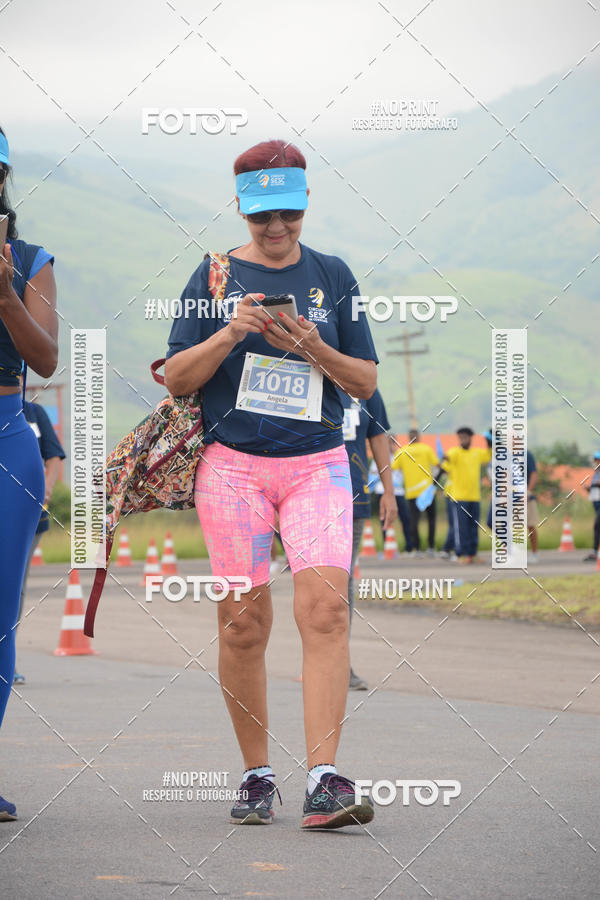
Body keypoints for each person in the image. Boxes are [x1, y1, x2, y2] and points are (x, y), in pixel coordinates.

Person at [165, 140, 377, 830]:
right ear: (241, 210)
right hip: (234, 470)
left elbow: (365, 381)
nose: (277, 228)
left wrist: (313, 345)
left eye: (288, 212)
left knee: (326, 612)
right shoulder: (215, 275)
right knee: (243, 623)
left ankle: (326, 779)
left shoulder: (334, 274)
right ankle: (257, 774)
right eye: (263, 217)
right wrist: (231, 334)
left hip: (318, 462)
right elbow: (176, 377)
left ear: (306, 203)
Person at [0, 127, 58, 821]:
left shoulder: (30, 260)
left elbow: (44, 360)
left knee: (0, 617)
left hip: (8, 437)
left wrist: (5, 292)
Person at [339, 388, 396, 691]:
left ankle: (338, 664)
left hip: (354, 497)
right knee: (314, 584)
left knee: (342, 580)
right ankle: (318, 658)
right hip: (306, 499)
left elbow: (378, 437)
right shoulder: (299, 371)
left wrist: (388, 491)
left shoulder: (364, 388)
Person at [13, 401, 66, 684]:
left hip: (30, 517)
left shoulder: (34, 413)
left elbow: (54, 455)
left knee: (14, 587)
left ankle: (6, 660)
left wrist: (45, 489)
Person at [442, 427, 492, 564]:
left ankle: (472, 553)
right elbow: (447, 458)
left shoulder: (477, 453)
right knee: (461, 528)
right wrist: (444, 457)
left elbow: (489, 455)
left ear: (471, 438)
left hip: (474, 496)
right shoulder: (454, 452)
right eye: (460, 437)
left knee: (473, 527)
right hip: (459, 497)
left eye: (465, 437)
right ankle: (461, 554)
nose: (462, 440)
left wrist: (490, 440)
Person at [391, 429, 439, 556]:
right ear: (418, 437)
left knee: (414, 521)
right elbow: (436, 464)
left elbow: (393, 467)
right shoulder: (426, 449)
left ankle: (416, 549)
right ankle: (431, 548)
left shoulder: (402, 451)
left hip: (412, 492)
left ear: (408, 437)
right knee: (431, 519)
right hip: (427, 491)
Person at [583, 451, 600, 562]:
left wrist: (592, 485)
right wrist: (589, 488)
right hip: (596, 503)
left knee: (597, 525)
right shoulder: (596, 473)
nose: (595, 462)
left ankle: (595, 552)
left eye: (597, 459)